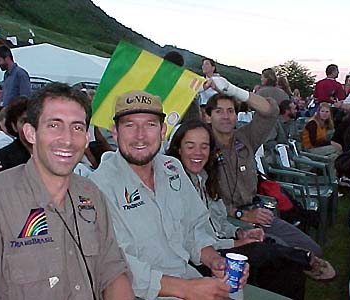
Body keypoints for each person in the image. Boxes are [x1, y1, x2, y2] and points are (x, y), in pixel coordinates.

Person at [0, 82, 134, 300]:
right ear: (30, 133)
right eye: (54, 125)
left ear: (87, 137)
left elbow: (112, 270)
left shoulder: (91, 194)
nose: (67, 140)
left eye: (77, 127)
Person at [89, 90, 250, 300]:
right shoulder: (99, 186)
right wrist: (187, 289)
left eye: (150, 125)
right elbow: (115, 265)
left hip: (187, 279)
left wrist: (215, 261)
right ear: (115, 132)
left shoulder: (171, 168)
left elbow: (195, 229)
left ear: (163, 130)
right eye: (130, 125)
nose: (140, 135)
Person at [166, 120, 336, 299]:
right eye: (190, 146)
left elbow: (219, 221)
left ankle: (296, 261)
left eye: (204, 146)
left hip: (224, 240)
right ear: (178, 149)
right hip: (203, 258)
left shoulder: (205, 178)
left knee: (287, 270)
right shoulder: (174, 186)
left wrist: (239, 232)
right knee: (263, 250)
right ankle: (304, 258)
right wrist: (235, 243)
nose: (198, 153)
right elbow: (193, 240)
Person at [204, 87, 322, 257]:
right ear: (208, 116)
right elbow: (204, 201)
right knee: (286, 255)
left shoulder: (245, 137)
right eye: (218, 111)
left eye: (230, 111)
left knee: (312, 249)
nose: (225, 116)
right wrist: (241, 214)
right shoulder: (202, 149)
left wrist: (234, 90)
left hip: (258, 212)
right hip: (227, 220)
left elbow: (271, 111)